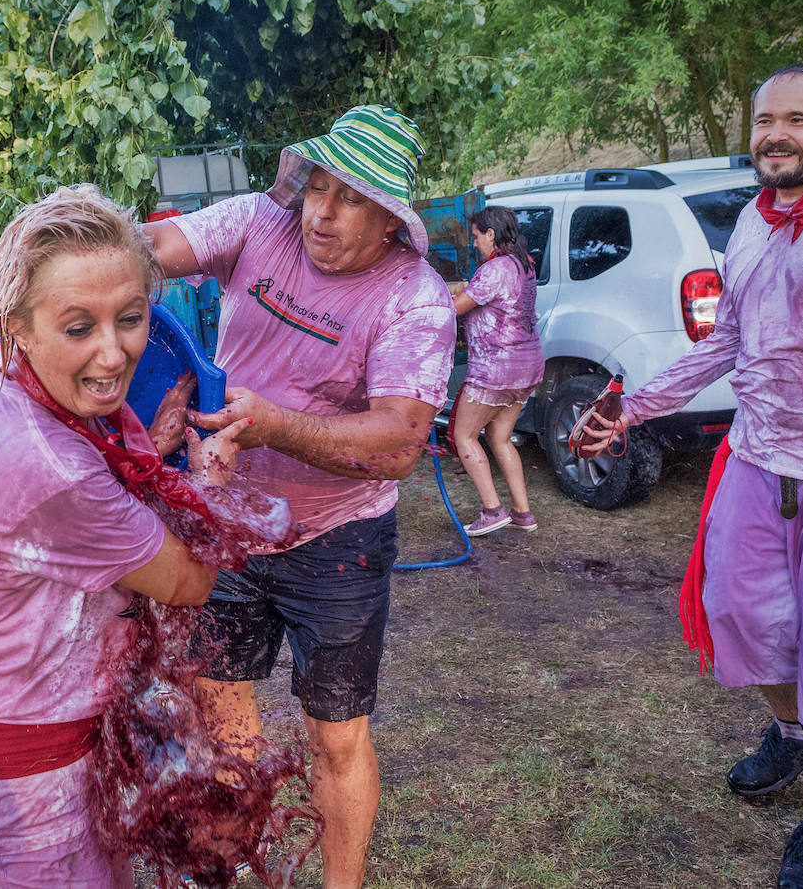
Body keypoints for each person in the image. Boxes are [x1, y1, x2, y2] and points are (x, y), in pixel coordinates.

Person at [579, 65, 803, 889]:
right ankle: (788, 732)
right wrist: (633, 407)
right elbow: (728, 342)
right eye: (764, 121)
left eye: (796, 119)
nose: (775, 134)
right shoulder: (751, 219)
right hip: (758, 454)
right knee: (742, 617)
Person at [145, 104, 457, 889]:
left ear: (390, 218)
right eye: (317, 186)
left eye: (349, 198)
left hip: (336, 541)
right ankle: (232, 854)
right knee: (220, 711)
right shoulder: (259, 222)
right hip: (228, 523)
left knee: (336, 735)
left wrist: (273, 425)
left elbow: (398, 442)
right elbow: (149, 249)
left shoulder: (412, 298)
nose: (321, 210)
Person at [0, 185, 247, 887]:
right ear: (17, 326)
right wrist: (212, 480)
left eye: (130, 318)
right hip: (20, 783)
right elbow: (189, 580)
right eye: (77, 328)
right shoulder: (47, 466)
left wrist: (145, 452)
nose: (112, 352)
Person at [448, 206, 543, 534]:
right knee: (500, 438)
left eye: (476, 236)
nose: (474, 243)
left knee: (465, 436)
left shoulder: (496, 269)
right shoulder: (524, 265)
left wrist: (436, 299)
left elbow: (455, 309)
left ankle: (492, 510)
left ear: (491, 234)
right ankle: (522, 512)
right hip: (527, 367)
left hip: (496, 369)